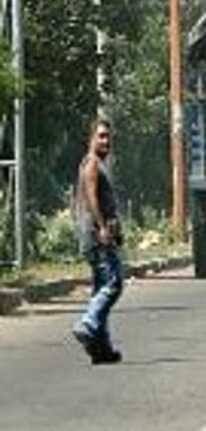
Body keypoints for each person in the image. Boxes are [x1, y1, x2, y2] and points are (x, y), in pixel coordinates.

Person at [71, 119, 124, 365]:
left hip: (95, 233)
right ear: (90, 139)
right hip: (96, 234)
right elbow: (92, 198)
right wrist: (103, 227)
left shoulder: (95, 164)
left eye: (108, 137)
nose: (106, 141)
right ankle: (88, 324)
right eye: (101, 136)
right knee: (113, 284)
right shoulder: (92, 163)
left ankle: (101, 348)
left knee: (100, 287)